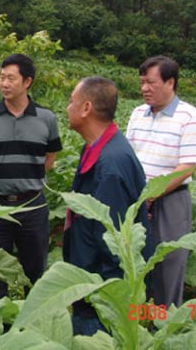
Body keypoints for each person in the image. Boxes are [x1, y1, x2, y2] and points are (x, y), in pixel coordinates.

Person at [0, 53, 62, 302]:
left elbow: (50, 157)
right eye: (1, 78)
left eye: (11, 78)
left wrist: (29, 178)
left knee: (35, 268)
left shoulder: (47, 118)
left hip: (32, 204)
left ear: (27, 81)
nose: (4, 83)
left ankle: (32, 318)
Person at [63, 76, 149, 336]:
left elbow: (115, 242)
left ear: (86, 108)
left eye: (71, 101)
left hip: (100, 296)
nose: (67, 107)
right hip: (90, 279)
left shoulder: (111, 164)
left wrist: (110, 299)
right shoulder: (98, 148)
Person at [126, 56, 196, 308]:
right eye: (142, 82)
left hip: (171, 200)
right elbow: (129, 156)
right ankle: (137, 324)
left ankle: (164, 327)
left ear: (170, 82)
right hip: (139, 198)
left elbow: (186, 168)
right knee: (135, 262)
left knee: (169, 263)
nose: (144, 89)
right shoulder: (138, 113)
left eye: (151, 82)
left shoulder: (188, 116)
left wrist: (154, 194)